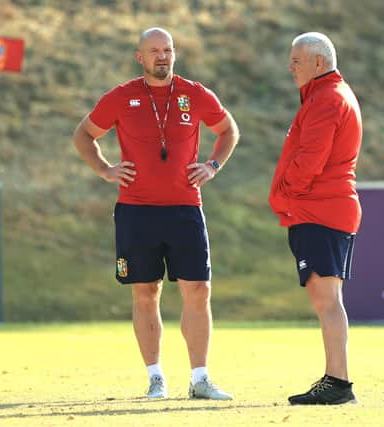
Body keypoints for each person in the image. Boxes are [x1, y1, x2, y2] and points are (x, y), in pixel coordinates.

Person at [73, 27, 239, 400]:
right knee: (146, 292)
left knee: (198, 290)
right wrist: (105, 169)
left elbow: (228, 130)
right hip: (137, 211)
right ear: (140, 57)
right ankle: (155, 378)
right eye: (154, 51)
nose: (162, 56)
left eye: (167, 50)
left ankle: (200, 378)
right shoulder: (121, 97)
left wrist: (212, 165)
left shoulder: (194, 94)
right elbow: (84, 134)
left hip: (185, 209)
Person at [268, 32, 363, 405]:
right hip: (322, 209)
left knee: (326, 300)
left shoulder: (326, 100)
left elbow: (311, 160)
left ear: (318, 63)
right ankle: (336, 379)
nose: (290, 66)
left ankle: (338, 382)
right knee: (328, 299)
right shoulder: (326, 96)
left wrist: (286, 193)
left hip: (319, 210)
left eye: (296, 60)